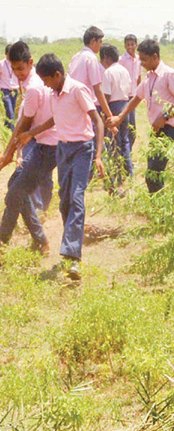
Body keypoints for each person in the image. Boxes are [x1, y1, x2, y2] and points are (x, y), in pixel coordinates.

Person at [36, 53, 106, 281]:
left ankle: (73, 256)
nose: (45, 85)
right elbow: (55, 119)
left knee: (76, 197)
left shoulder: (77, 89)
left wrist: (98, 156)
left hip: (82, 150)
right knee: (64, 200)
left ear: (57, 75)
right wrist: (31, 132)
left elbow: (98, 121)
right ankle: (71, 247)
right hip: (63, 149)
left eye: (46, 80)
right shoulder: (54, 93)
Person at [108, 38, 174, 193]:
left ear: (155, 57)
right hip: (157, 131)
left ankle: (161, 212)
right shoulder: (149, 77)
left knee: (153, 176)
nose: (141, 63)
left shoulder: (169, 74)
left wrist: (163, 117)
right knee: (152, 175)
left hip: (168, 131)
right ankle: (158, 211)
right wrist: (120, 117)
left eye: (144, 60)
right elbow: (136, 98)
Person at [0, 41, 58, 253]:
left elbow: (23, 125)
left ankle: (3, 240)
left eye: (20, 68)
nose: (17, 74)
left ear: (30, 63)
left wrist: (7, 155)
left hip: (48, 148)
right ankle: (40, 240)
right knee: (16, 190)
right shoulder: (32, 82)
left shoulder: (34, 87)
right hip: (42, 145)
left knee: (15, 193)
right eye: (13, 69)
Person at [99, 44, 133, 190]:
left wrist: (104, 115)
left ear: (106, 58)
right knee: (125, 142)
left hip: (113, 108)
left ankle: (117, 178)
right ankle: (129, 174)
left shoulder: (108, 73)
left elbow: (105, 96)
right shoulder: (124, 70)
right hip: (126, 107)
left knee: (113, 145)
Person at [68, 26, 113, 128]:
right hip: (87, 106)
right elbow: (97, 89)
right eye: (100, 42)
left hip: (74, 104)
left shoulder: (75, 57)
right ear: (93, 41)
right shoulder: (91, 57)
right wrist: (109, 115)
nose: (100, 46)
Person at [118, 34, 142, 156]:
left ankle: (128, 154)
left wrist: (139, 92)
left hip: (133, 96)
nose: (130, 47)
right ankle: (124, 155)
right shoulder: (121, 60)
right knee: (126, 127)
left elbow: (139, 77)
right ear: (124, 46)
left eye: (132, 44)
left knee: (132, 128)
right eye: (128, 44)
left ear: (136, 45)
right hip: (124, 97)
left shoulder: (138, 60)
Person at [1, 44, 20, 130]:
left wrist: (21, 91)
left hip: (14, 91)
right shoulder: (1, 64)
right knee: (10, 113)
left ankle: (6, 128)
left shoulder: (16, 63)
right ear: (6, 53)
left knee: (11, 111)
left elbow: (20, 77)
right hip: (5, 91)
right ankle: (12, 132)